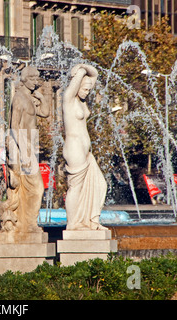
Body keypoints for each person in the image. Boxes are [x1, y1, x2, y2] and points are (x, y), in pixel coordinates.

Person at [0, 66, 50, 233]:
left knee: (28, 189)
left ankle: (27, 223)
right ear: (25, 79)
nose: (36, 81)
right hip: (22, 148)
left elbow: (45, 112)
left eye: (37, 78)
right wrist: (23, 149)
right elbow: (14, 126)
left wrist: (41, 97)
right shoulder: (19, 98)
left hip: (29, 147)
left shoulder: (30, 97)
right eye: (33, 78)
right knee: (37, 188)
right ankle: (29, 224)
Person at [62, 63, 107, 230]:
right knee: (76, 187)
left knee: (100, 184)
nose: (87, 92)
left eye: (89, 90)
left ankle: (91, 221)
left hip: (85, 151)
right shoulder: (68, 100)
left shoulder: (82, 101)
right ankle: (73, 224)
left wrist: (82, 65)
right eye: (85, 89)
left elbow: (94, 74)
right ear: (77, 84)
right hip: (74, 149)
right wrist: (80, 72)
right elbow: (73, 86)